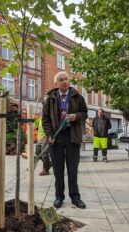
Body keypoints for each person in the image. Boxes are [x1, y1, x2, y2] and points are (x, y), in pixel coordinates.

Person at [42, 71, 88, 209]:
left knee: (72, 169)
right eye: (61, 79)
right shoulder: (50, 98)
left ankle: (75, 197)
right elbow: (45, 119)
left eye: (66, 79)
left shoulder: (77, 96)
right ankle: (59, 197)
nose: (64, 82)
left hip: (72, 136)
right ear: (56, 83)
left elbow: (85, 113)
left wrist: (76, 116)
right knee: (58, 170)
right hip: (56, 137)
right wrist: (50, 135)